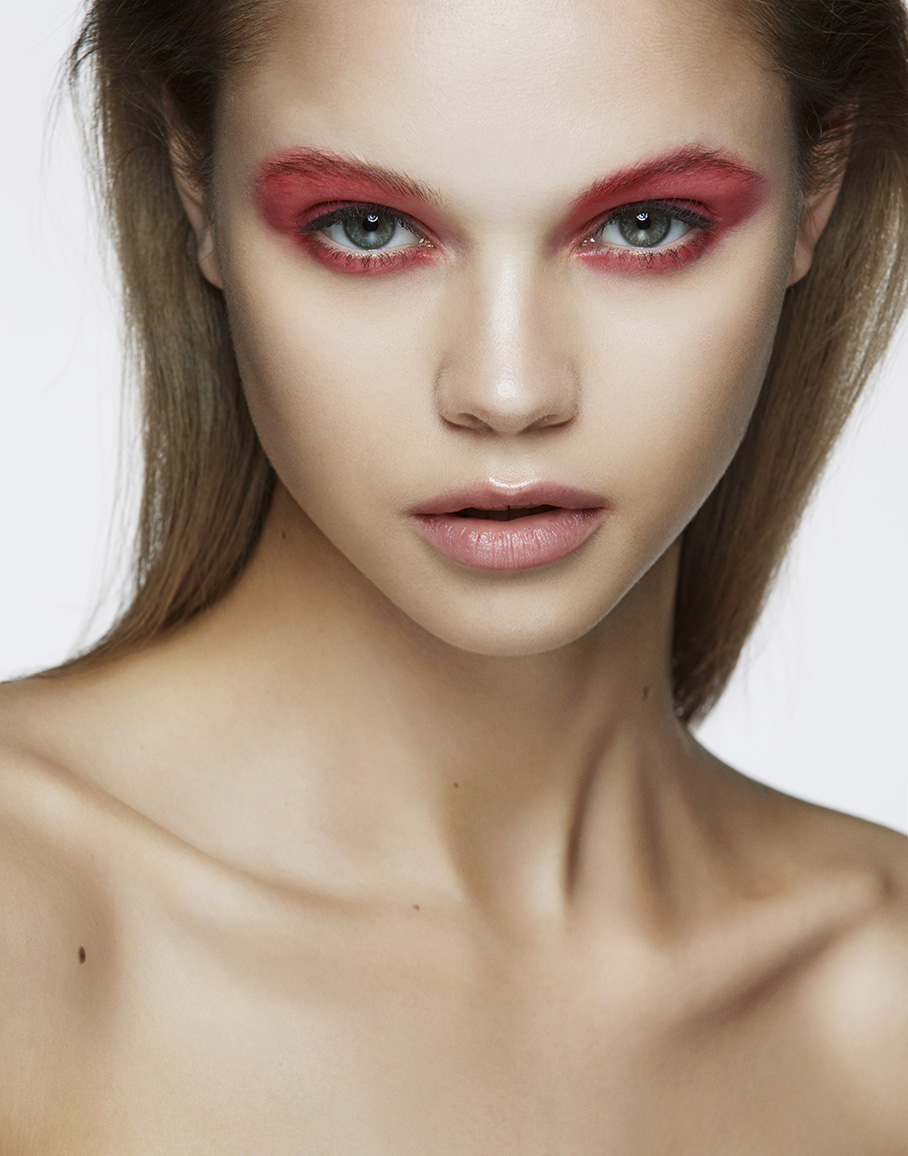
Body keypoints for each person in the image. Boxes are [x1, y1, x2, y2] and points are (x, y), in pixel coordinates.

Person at [1, 0, 906, 1150]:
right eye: (367, 227)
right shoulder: (26, 922)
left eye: (644, 226)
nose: (506, 389)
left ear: (815, 189)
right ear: (194, 183)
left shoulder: (879, 1000)